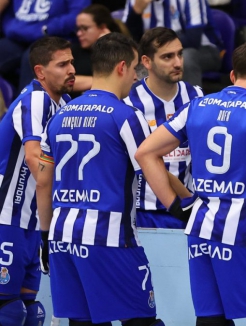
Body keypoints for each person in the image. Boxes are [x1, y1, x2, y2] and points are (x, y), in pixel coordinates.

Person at [134, 41, 246, 326]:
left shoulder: (196, 106)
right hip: (243, 231)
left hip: (200, 230)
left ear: (233, 75)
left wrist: (177, 207)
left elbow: (145, 153)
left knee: (210, 318)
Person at [35, 33, 164, 326]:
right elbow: (153, 171)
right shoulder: (125, 116)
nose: (135, 77)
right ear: (121, 67)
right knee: (141, 321)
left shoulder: (59, 116)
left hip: (61, 238)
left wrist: (44, 237)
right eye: (134, 69)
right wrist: (185, 205)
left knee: (84, 323)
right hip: (110, 239)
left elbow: (43, 183)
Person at [0, 36, 74, 325]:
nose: (71, 69)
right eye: (62, 64)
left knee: (31, 308)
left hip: (33, 221)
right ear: (40, 72)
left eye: (71, 62)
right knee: (8, 308)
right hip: (8, 217)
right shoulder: (35, 99)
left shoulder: (64, 103)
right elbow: (34, 158)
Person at [124, 27, 204, 229]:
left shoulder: (197, 97)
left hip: (189, 208)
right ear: (147, 62)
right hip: (142, 212)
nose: (177, 63)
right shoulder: (129, 102)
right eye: (167, 57)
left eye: (179, 54)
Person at [123, 0, 223, 86]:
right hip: (153, 50)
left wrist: (156, 50)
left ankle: (192, 104)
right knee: (134, 61)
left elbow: (193, 39)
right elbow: (129, 38)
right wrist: (136, 13)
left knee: (185, 58)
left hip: (202, 50)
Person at [70, 4, 123, 96]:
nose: (79, 33)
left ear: (102, 28)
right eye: (78, 29)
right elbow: (64, 81)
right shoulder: (73, 51)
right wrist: (101, 81)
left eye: (85, 28)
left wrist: (107, 47)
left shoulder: (123, 49)